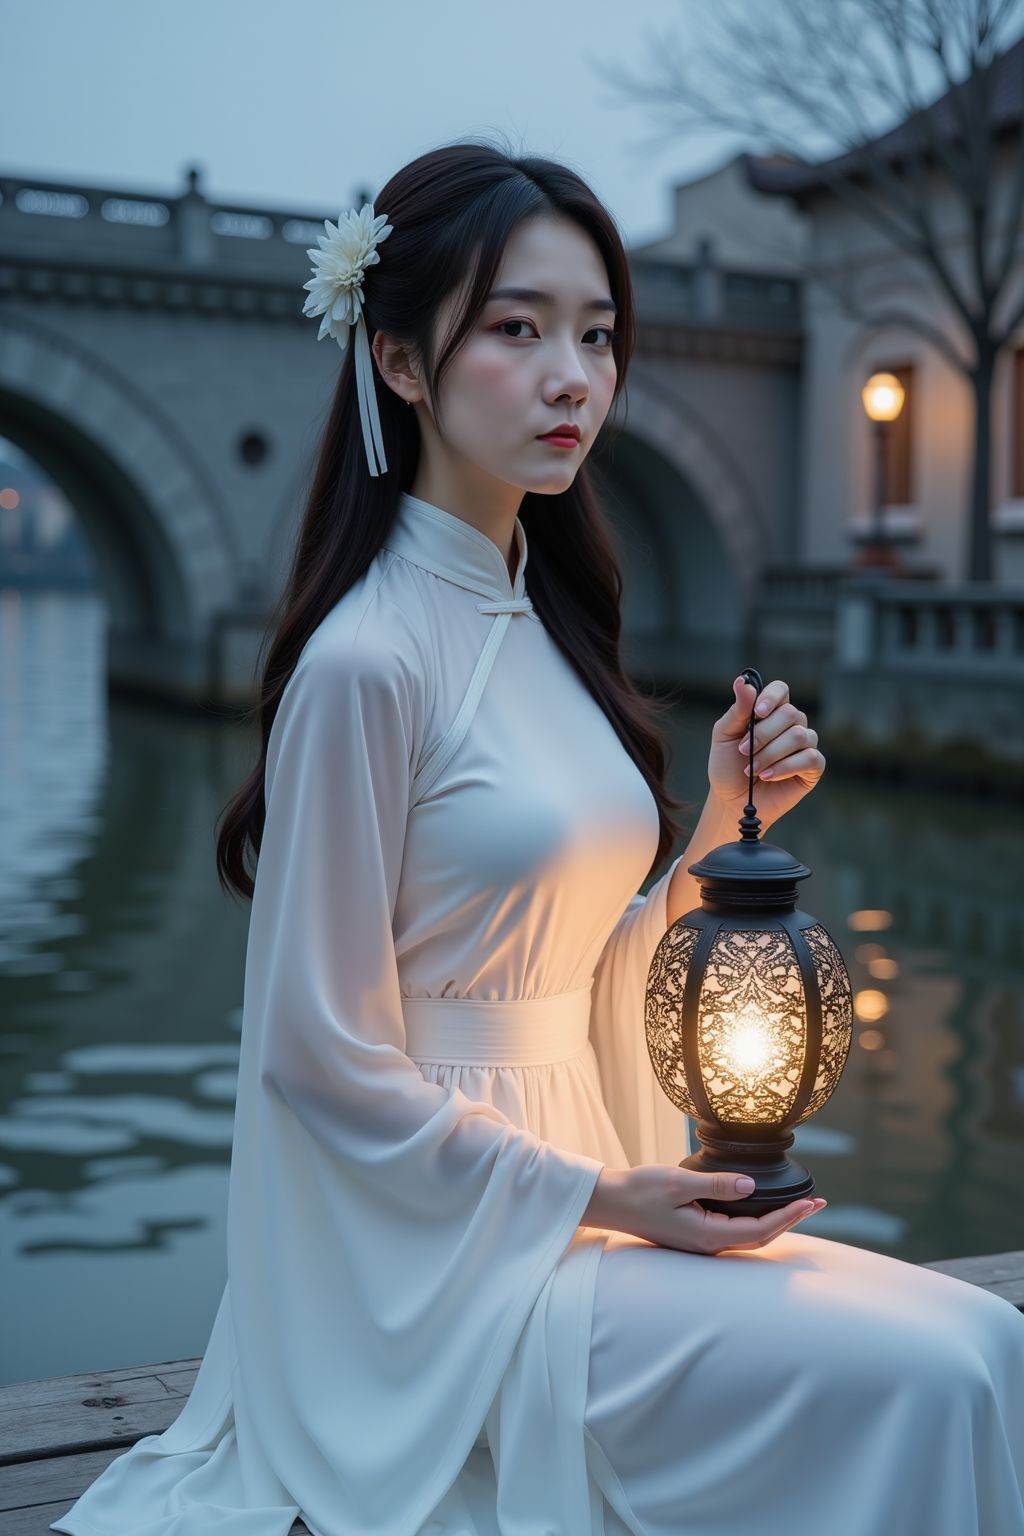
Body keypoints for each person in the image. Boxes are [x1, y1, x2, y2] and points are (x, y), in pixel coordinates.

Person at [50, 138, 1024, 1536]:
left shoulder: (542, 625)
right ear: (399, 361)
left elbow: (571, 969)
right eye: (519, 330)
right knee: (922, 1379)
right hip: (440, 1263)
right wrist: (602, 1196)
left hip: (596, 1202)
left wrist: (722, 831)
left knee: (988, 1340)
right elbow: (318, 1056)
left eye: (597, 335)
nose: (574, 376)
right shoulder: (366, 663)